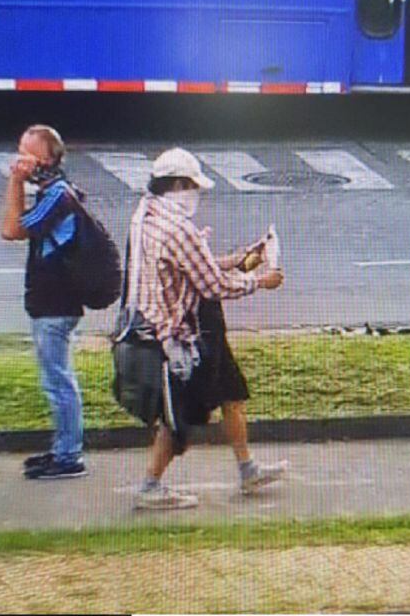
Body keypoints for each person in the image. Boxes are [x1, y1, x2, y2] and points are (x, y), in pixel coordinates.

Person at [112, 147, 286, 510]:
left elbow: (192, 267)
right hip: (177, 337)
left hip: (160, 328)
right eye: (193, 186)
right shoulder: (179, 229)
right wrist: (260, 280)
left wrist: (238, 260)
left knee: (231, 393)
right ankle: (150, 486)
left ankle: (248, 469)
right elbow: (212, 286)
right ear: (178, 184)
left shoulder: (146, 215)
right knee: (179, 419)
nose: (196, 194)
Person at [1, 125, 92, 479]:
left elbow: (11, 230)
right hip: (48, 303)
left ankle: (69, 456)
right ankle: (62, 449)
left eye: (26, 153)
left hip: (57, 304)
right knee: (55, 380)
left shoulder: (58, 195)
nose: (19, 160)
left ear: (47, 158)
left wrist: (15, 182)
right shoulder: (49, 193)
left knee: (59, 383)